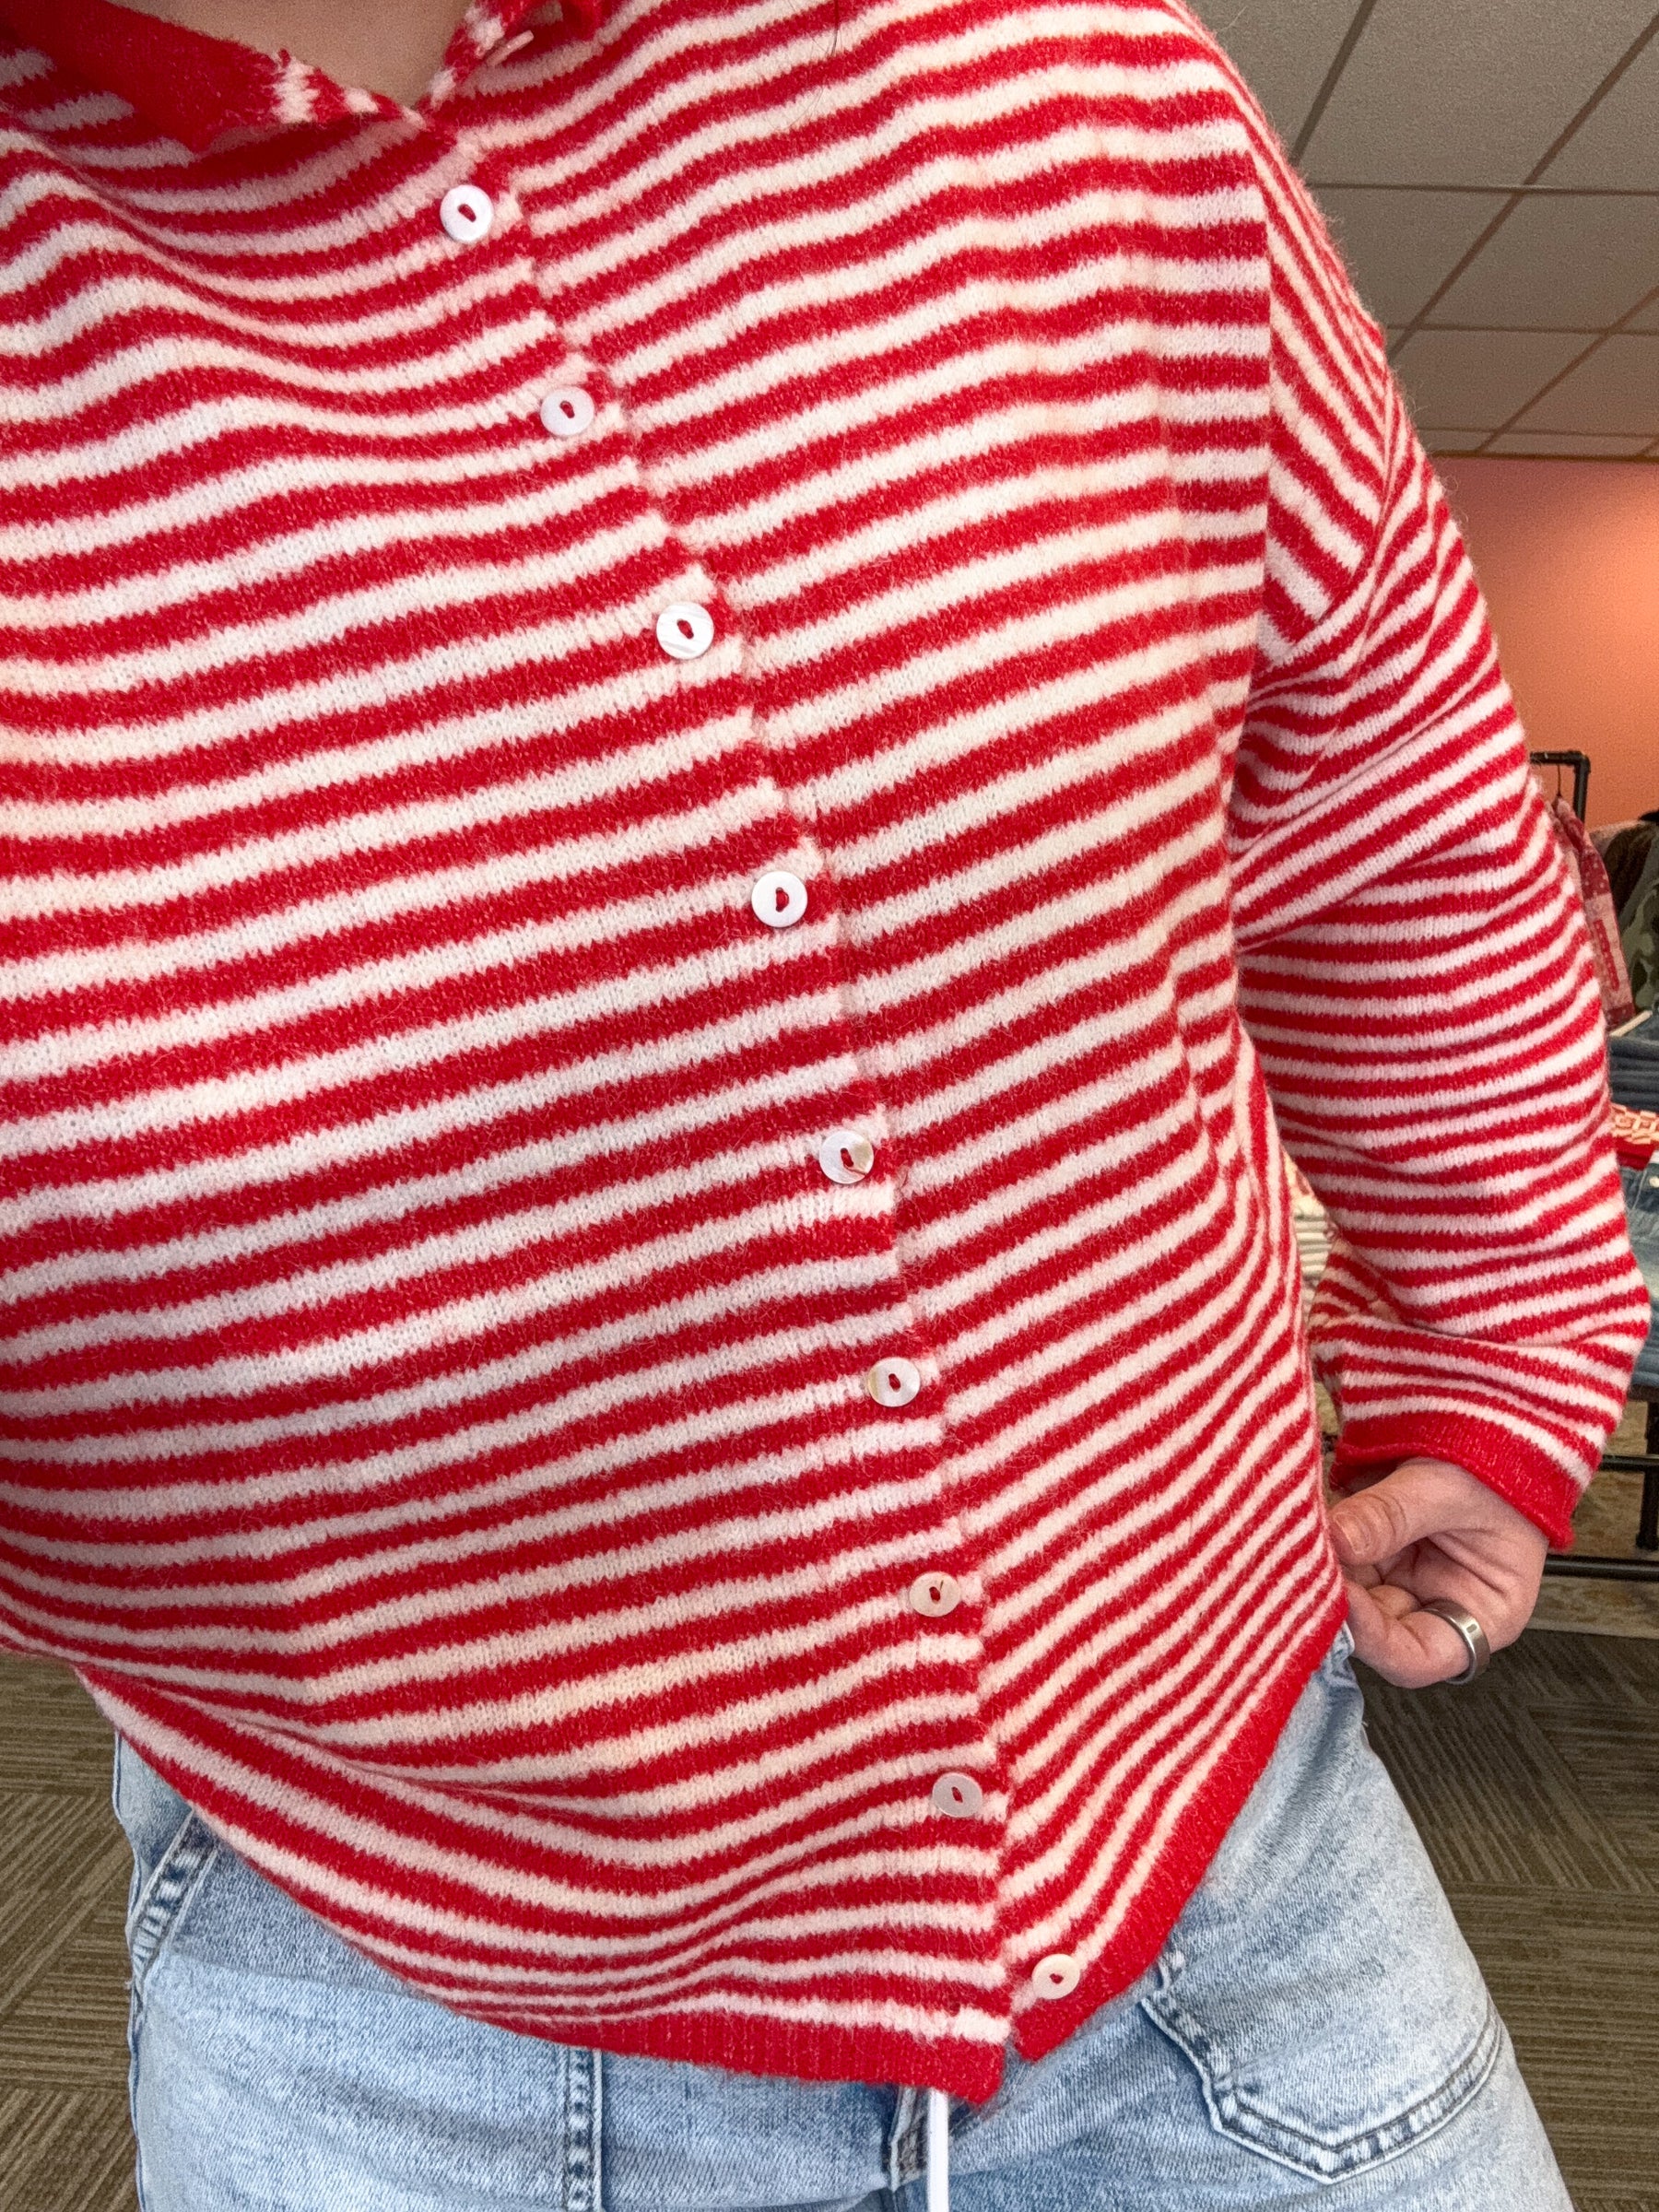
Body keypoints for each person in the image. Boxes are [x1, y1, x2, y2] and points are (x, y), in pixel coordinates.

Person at [0, 1, 1647, 2207]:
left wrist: (1499, 1343)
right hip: (415, 1998)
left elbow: (1389, 801)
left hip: (1234, 1871)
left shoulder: (1046, 71)